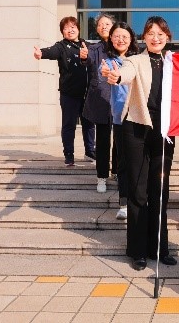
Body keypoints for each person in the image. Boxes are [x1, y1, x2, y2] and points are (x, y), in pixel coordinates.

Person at [102, 16, 177, 271]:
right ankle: (137, 250)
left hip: (165, 131)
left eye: (160, 34)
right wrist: (115, 76)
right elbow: (125, 73)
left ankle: (160, 248)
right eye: (151, 33)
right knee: (138, 190)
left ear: (167, 37)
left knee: (160, 190)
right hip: (136, 128)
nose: (156, 38)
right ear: (144, 37)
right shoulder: (135, 60)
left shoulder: (173, 62)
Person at [33, 16, 95, 166]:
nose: (70, 30)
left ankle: (90, 152)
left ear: (78, 29)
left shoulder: (86, 45)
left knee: (89, 125)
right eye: (66, 28)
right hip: (69, 94)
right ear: (62, 32)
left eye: (73, 27)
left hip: (87, 94)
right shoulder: (61, 46)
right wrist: (41, 53)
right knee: (69, 125)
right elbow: (52, 52)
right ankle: (69, 155)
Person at [103, 22, 140, 218]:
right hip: (120, 118)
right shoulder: (109, 62)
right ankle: (124, 203)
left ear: (131, 39)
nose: (121, 40)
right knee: (123, 162)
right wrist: (107, 73)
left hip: (139, 117)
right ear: (111, 39)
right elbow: (105, 72)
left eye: (124, 36)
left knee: (139, 162)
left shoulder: (139, 60)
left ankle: (139, 200)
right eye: (116, 36)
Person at [81, 13, 116, 192]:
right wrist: (83, 56)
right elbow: (87, 61)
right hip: (101, 99)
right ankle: (102, 176)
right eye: (100, 24)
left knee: (120, 140)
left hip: (120, 99)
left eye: (107, 24)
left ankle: (116, 171)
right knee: (102, 141)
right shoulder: (93, 48)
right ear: (97, 29)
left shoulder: (121, 44)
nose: (104, 27)